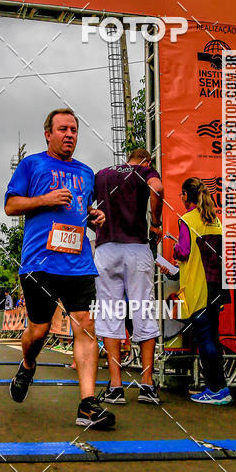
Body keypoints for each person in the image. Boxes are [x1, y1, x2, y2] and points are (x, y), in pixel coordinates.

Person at [5, 107, 114, 430]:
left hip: (78, 262)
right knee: (38, 331)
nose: (69, 135)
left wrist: (94, 217)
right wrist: (45, 199)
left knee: (85, 325)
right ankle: (27, 364)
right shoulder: (32, 164)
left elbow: (82, 208)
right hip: (40, 262)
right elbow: (11, 205)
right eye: (63, 129)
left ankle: (87, 404)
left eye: (74, 130)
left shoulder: (85, 172)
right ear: (48, 134)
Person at [93, 147, 165, 405]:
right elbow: (157, 189)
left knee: (110, 313)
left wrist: (93, 221)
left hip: (106, 247)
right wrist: (155, 221)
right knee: (142, 310)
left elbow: (83, 203)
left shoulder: (101, 174)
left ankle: (115, 386)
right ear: (146, 160)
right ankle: (147, 384)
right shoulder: (145, 170)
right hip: (136, 246)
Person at [172, 178, 231, 404]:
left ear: (186, 195)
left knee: (206, 339)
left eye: (181, 195)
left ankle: (216, 389)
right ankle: (218, 387)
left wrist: (175, 249)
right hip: (217, 287)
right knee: (213, 338)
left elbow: (184, 251)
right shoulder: (215, 220)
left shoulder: (187, 220)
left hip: (199, 287)